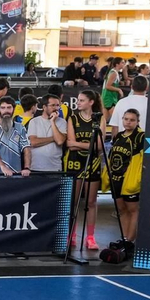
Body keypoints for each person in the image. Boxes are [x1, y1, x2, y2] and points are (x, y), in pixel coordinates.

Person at [63, 88, 104, 253]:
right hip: (75, 162)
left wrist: (78, 144)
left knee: (91, 202)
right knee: (73, 202)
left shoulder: (99, 118)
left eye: (81, 100)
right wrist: (89, 145)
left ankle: (90, 237)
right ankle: (71, 234)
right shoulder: (73, 118)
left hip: (92, 163)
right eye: (78, 100)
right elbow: (69, 143)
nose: (77, 103)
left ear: (91, 102)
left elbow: (99, 147)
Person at [104, 108, 143, 243]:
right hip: (116, 178)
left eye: (132, 120)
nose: (128, 122)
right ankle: (124, 238)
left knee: (133, 210)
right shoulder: (118, 136)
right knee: (121, 210)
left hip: (130, 180)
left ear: (138, 121)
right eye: (126, 119)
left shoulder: (140, 137)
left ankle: (130, 241)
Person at [0, 97, 32, 178]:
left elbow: (26, 147)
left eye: (9, 107)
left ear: (13, 109)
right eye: (3, 108)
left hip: (17, 174)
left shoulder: (20, 127)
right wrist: (3, 167)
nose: (6, 111)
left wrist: (27, 168)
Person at [27, 93, 67, 173]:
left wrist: (52, 122)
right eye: (52, 105)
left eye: (57, 105)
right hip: (36, 167)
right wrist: (53, 138)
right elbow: (33, 142)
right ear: (44, 107)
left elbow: (59, 141)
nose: (56, 108)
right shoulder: (34, 121)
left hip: (55, 168)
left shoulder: (62, 122)